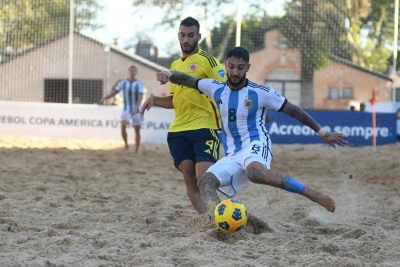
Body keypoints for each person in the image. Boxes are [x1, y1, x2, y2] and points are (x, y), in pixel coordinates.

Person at [155, 46, 348, 214]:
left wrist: (322, 132)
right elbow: (187, 79)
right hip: (232, 153)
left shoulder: (261, 92)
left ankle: (312, 194)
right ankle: (216, 217)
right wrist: (170, 74)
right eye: (231, 67)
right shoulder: (216, 88)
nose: (235, 72)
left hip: (255, 143)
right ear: (226, 66)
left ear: (248, 68)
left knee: (255, 174)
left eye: (240, 68)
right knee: (205, 182)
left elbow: (294, 111)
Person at [140, 17, 226, 214]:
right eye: (182, 35)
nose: (186, 39)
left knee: (203, 177)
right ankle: (207, 218)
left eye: (190, 35)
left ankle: (222, 215)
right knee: (188, 175)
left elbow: (227, 89)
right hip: (178, 130)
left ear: (199, 37)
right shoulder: (174, 65)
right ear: (178, 36)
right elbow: (174, 100)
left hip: (205, 127)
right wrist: (155, 99)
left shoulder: (208, 61)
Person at [99, 65, 145, 153]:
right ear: (128, 72)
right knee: (123, 126)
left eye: (134, 71)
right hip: (126, 109)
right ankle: (126, 145)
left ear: (136, 72)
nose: (132, 72)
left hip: (137, 110)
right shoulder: (123, 83)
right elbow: (113, 93)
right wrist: (104, 98)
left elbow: (140, 97)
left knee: (137, 130)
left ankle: (136, 149)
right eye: (131, 70)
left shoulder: (139, 84)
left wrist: (135, 108)